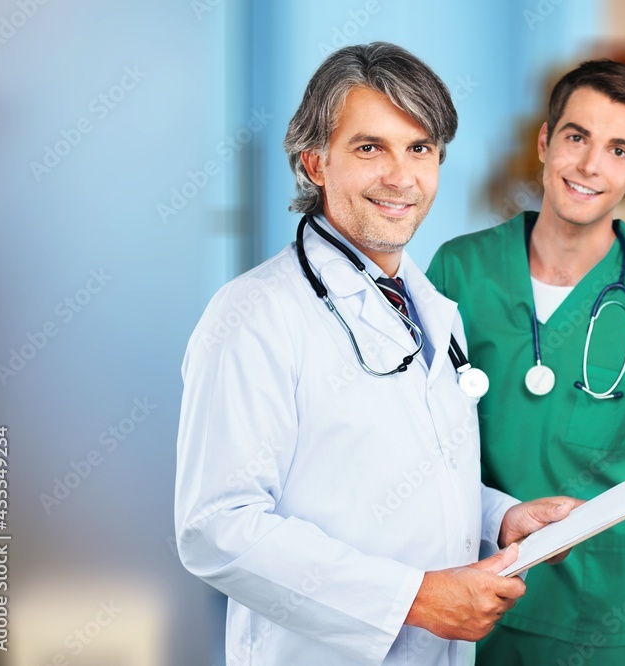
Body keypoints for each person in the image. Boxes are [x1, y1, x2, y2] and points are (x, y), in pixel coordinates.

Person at [174, 42, 580, 665]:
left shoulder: (433, 313)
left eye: (420, 149)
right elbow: (217, 528)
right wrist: (415, 598)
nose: (401, 177)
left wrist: (500, 518)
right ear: (315, 162)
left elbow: (406, 479)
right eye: (370, 148)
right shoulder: (253, 315)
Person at [427, 59, 625, 665]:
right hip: (460, 582)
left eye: (619, 150)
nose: (590, 166)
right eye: (576, 137)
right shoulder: (458, 269)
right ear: (545, 143)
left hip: (590, 609)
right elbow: (414, 425)